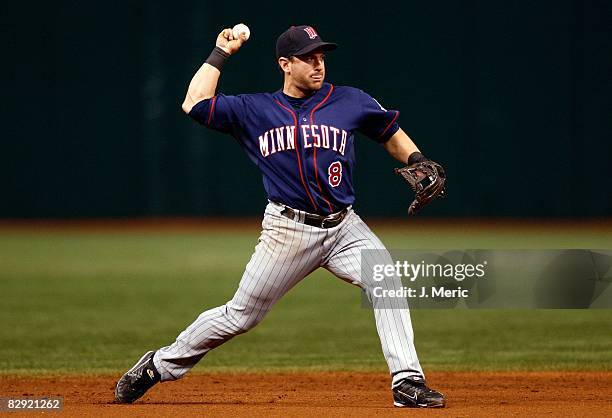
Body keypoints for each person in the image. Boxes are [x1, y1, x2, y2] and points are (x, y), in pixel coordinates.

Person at [115, 24, 446, 409]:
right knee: (240, 316)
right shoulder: (255, 109)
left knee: (386, 280)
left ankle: (407, 381)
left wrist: (418, 159)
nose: (318, 64)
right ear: (285, 64)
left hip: (344, 227)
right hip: (288, 231)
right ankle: (158, 365)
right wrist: (220, 53)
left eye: (321, 56)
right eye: (308, 58)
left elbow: (389, 132)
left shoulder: (350, 101)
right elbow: (195, 103)